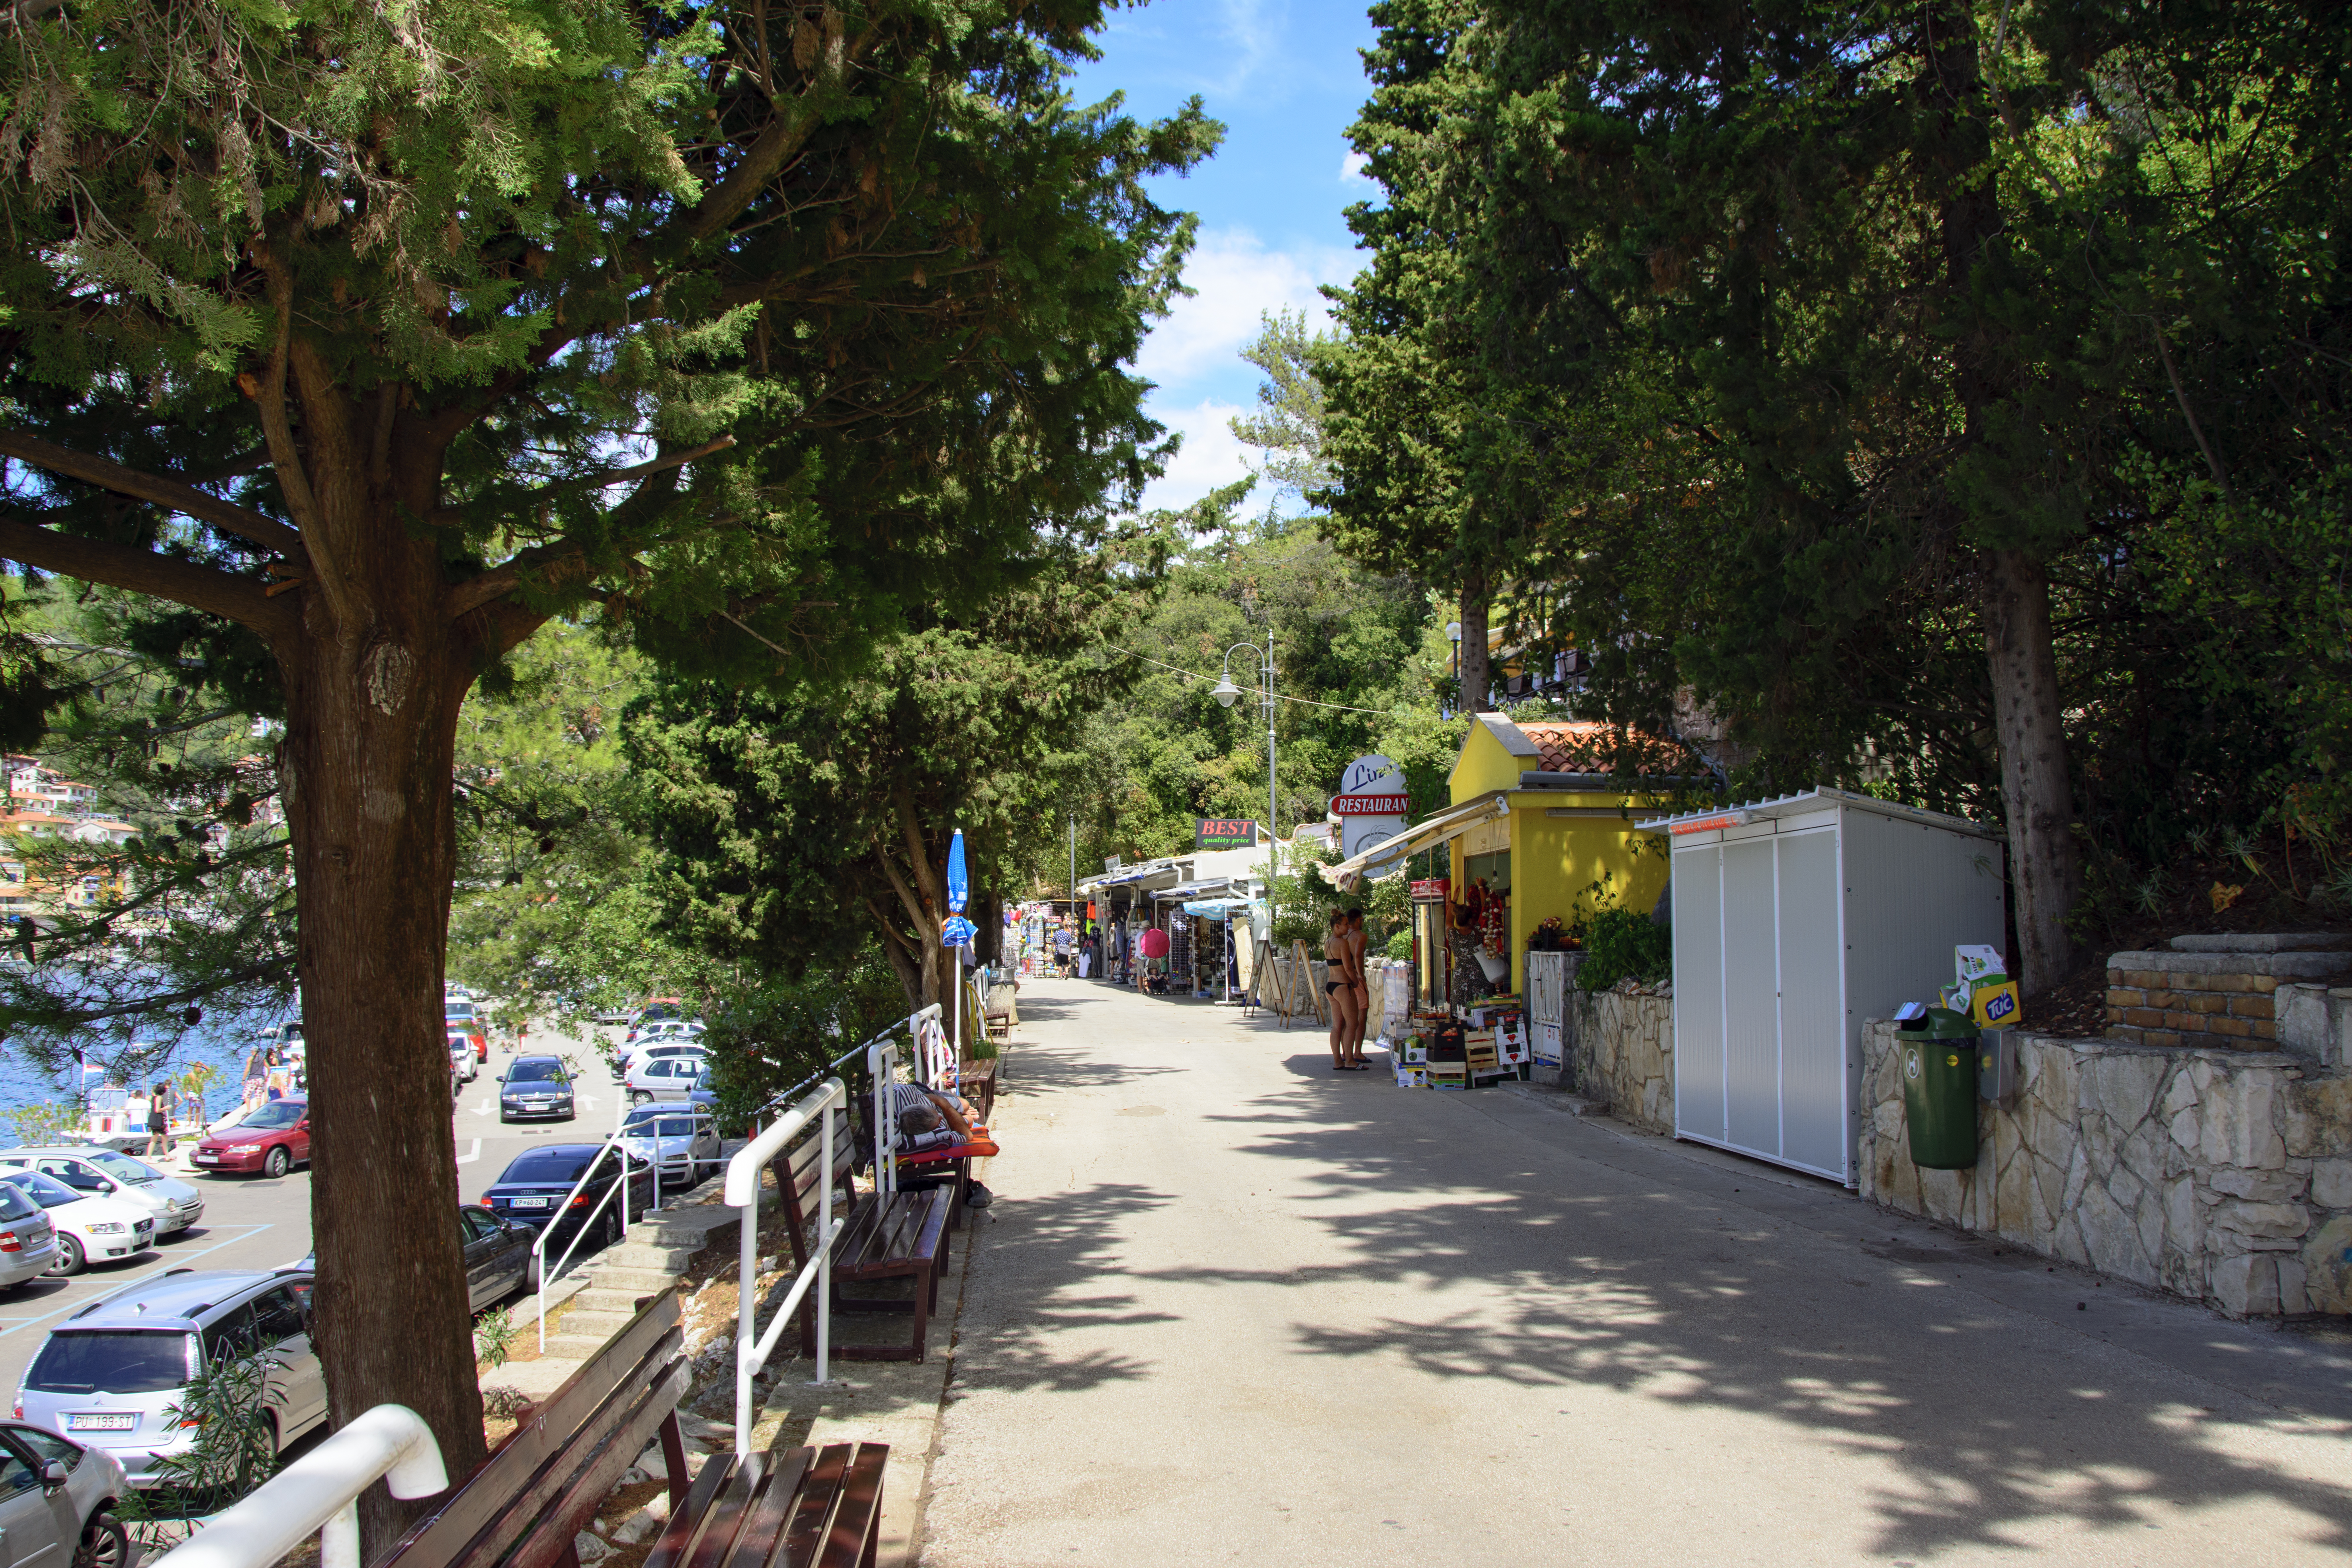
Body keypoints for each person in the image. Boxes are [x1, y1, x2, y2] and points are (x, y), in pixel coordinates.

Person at [893, 1084, 998, 1208]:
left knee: (965, 1105)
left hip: (922, 1093)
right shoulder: (939, 1129)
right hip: (915, 1101)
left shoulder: (927, 1105)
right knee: (968, 1117)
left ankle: (962, 1110)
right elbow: (967, 1135)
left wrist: (940, 1102)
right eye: (939, 1120)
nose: (939, 1118)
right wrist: (946, 1107)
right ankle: (961, 1112)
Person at [1322, 909, 1363, 1070]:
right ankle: (1350, 1061)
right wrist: (1356, 983)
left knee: (1338, 1025)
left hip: (1331, 986)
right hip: (1343, 986)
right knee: (1353, 1023)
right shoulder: (1343, 943)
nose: (1348, 927)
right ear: (1337, 926)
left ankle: (1338, 1061)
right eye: (1345, 925)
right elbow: (1348, 968)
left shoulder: (1328, 943)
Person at [145, 1082, 172, 1158]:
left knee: (155, 1139)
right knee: (163, 1137)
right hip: (157, 1120)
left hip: (153, 1119)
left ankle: (165, 1155)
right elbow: (157, 1110)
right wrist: (166, 1108)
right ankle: (166, 1155)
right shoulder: (159, 1097)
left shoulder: (153, 1097)